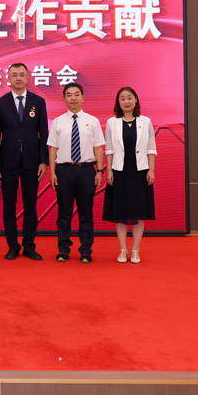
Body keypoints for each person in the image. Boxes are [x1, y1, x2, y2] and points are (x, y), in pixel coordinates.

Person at [0, 63, 48, 260]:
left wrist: (43, 161)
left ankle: (29, 246)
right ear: (8, 78)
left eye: (21, 75)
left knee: (30, 206)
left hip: (32, 162)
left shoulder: (38, 101)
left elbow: (44, 133)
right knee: (9, 206)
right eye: (14, 75)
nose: (18, 78)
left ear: (28, 77)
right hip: (7, 163)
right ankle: (12, 246)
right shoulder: (1, 103)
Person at [48, 82, 105, 263]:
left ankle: (86, 251)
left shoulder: (93, 121)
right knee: (63, 213)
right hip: (63, 171)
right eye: (69, 95)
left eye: (77, 94)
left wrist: (100, 171)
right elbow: (53, 149)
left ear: (83, 98)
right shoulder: (58, 122)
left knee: (86, 212)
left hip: (86, 171)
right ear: (64, 99)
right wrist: (52, 172)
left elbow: (98, 148)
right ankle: (63, 250)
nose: (73, 98)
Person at [104, 87, 157, 264]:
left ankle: (135, 250)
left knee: (138, 212)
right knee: (120, 211)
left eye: (129, 98)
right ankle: (122, 249)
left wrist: (151, 170)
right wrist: (109, 170)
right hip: (119, 172)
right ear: (118, 102)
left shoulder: (146, 121)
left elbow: (151, 148)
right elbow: (109, 149)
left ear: (136, 100)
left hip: (140, 172)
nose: (126, 101)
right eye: (122, 98)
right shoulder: (111, 122)